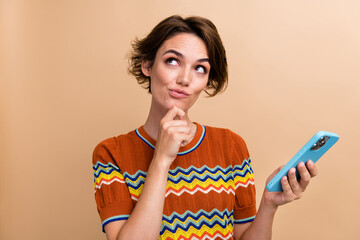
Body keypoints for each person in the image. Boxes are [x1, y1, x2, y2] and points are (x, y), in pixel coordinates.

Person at [92, 15, 318, 240]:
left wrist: (269, 205)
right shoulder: (111, 153)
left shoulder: (231, 146)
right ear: (147, 65)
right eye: (172, 61)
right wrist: (161, 160)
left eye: (200, 68)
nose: (185, 78)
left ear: (208, 81)